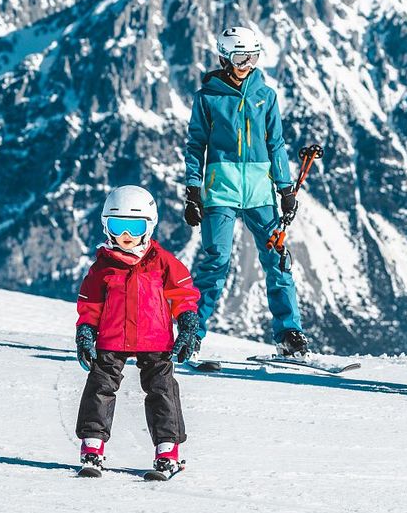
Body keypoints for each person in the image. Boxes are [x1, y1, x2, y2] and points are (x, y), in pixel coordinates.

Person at [182, 25, 307, 356]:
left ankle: (289, 333)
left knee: (277, 259)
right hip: (220, 191)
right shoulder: (207, 98)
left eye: (253, 57)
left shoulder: (266, 96)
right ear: (224, 58)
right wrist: (193, 190)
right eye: (240, 58)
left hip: (259, 192)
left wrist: (285, 188)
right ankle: (191, 332)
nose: (247, 65)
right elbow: (195, 145)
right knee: (216, 261)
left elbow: (275, 143)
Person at [74, 186, 201, 478]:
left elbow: (183, 294)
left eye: (135, 228)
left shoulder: (161, 260)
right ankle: (92, 446)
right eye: (118, 226)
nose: (126, 235)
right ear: (106, 226)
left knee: (162, 390)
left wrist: (187, 324)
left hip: (155, 339)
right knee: (99, 387)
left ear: (149, 226)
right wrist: (86, 332)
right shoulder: (103, 267)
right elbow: (90, 304)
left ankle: (167, 450)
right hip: (112, 338)